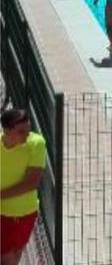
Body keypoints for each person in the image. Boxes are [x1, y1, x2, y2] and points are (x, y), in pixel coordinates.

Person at [1, 109, 47, 265]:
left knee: (15, 253)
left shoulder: (36, 144)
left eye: (28, 129)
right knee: (6, 256)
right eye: (21, 131)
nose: (27, 135)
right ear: (7, 131)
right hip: (2, 213)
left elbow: (31, 183)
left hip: (24, 213)